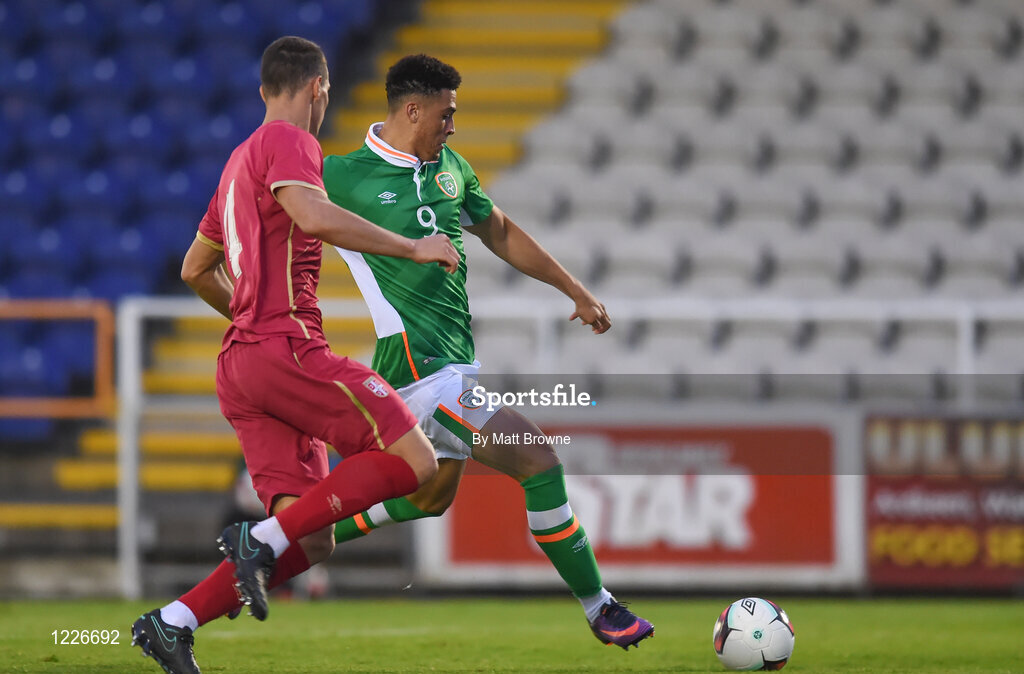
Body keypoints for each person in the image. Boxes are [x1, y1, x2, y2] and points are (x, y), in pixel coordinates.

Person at [130, 37, 460, 674]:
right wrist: (414, 246)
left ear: (263, 89)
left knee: (311, 539)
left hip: (243, 364)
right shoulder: (291, 142)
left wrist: (249, 320)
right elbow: (312, 215)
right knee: (414, 459)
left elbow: (196, 269)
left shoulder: (235, 164)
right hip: (284, 348)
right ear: (319, 88)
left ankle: (172, 623)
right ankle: (258, 538)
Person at [322, 54, 654, 650]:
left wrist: (573, 289)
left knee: (430, 499)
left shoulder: (452, 168)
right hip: (419, 374)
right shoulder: (341, 175)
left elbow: (498, 230)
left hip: (452, 367)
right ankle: (600, 606)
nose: (453, 125)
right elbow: (279, 206)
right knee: (538, 460)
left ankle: (284, 538)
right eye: (446, 114)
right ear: (412, 109)